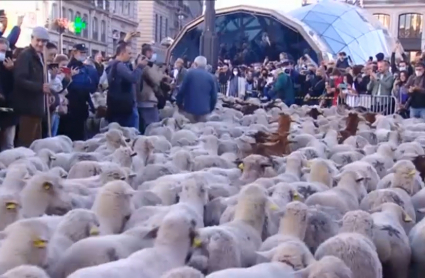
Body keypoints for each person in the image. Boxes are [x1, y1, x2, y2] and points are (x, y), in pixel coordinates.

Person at [12, 26, 50, 147]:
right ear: (32, 39)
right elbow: (20, 79)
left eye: (43, 41)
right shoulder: (26, 56)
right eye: (38, 40)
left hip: (37, 109)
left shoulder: (40, 56)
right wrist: (40, 88)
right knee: (26, 144)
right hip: (27, 109)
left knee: (35, 145)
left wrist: (49, 94)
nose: (40, 43)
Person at [58, 43, 98, 141]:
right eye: (81, 52)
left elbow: (92, 86)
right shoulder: (69, 67)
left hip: (82, 104)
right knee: (73, 135)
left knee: (81, 134)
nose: (83, 54)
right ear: (74, 52)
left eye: (84, 53)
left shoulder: (85, 67)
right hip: (71, 105)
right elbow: (73, 85)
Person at [105, 42, 144, 127]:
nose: (131, 56)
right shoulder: (119, 66)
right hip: (124, 108)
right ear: (122, 53)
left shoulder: (111, 65)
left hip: (115, 106)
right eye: (129, 53)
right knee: (131, 133)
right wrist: (140, 66)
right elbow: (133, 78)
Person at [176, 56, 217, 123]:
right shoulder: (211, 77)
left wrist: (179, 104)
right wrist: (210, 109)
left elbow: (181, 91)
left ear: (195, 64)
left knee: (190, 131)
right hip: (204, 112)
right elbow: (214, 97)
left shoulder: (189, 74)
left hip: (189, 111)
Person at [137, 43, 164, 133]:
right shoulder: (146, 66)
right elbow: (156, 79)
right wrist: (159, 70)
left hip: (141, 100)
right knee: (153, 127)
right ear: (148, 53)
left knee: (143, 126)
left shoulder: (137, 63)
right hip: (148, 100)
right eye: (152, 52)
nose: (154, 55)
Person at [0, 37, 17, 150]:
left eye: (4, 51)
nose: (2, 54)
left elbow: (18, 84)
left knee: (8, 144)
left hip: (9, 109)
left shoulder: (12, 65)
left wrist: (12, 70)